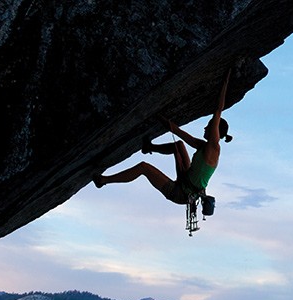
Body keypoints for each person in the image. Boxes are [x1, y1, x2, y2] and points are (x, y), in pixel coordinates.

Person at [94, 71, 233, 210]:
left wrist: (225, 81)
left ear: (215, 132)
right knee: (179, 145)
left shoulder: (214, 148)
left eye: (209, 126)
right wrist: (158, 116)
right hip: (186, 181)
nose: (205, 127)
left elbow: (218, 110)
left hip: (180, 194)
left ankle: (104, 180)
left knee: (144, 167)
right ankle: (149, 147)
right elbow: (178, 132)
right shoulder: (203, 145)